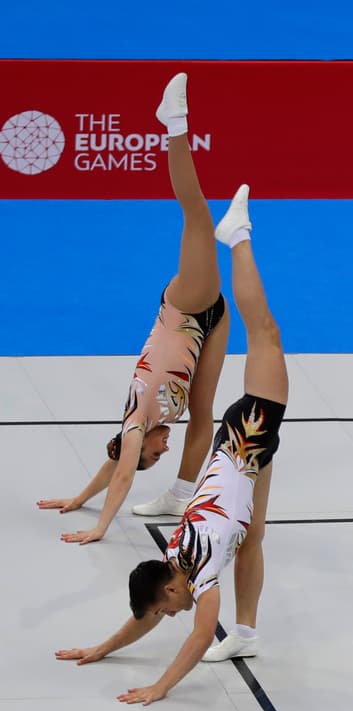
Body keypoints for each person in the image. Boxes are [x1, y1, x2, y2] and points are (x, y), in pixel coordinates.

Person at [55, 184, 290, 703]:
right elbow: (145, 618)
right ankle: (247, 635)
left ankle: (238, 238)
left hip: (246, 436)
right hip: (244, 456)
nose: (170, 617)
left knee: (265, 333)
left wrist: (160, 688)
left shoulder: (197, 572)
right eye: (166, 615)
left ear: (170, 587)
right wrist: (100, 649)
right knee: (251, 540)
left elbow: (201, 633)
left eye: (166, 610)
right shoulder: (180, 561)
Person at [39, 73, 231, 542]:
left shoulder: (135, 424)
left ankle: (174, 124)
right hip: (212, 322)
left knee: (199, 218)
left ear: (137, 447)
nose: (161, 451)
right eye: (162, 457)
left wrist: (99, 527)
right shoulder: (151, 426)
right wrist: (78, 499)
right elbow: (114, 466)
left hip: (183, 311)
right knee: (204, 411)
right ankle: (182, 492)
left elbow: (121, 473)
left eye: (153, 456)